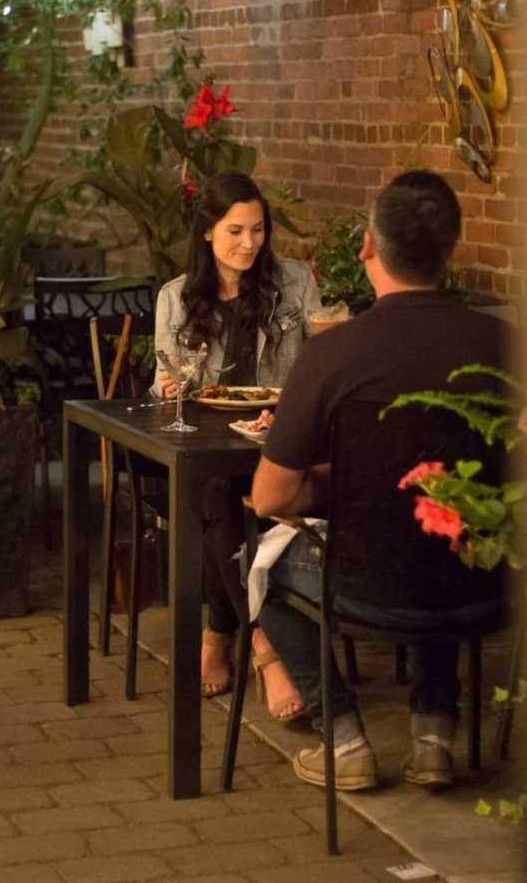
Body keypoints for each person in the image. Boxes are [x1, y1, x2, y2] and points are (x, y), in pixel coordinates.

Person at [249, 170, 511, 792]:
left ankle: (344, 740)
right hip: (489, 584)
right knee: (443, 540)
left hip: (365, 585)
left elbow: (270, 497)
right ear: (453, 248)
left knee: (254, 567)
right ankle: (434, 740)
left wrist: (332, 484)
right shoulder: (507, 344)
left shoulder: (335, 355)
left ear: (368, 245)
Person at [152, 170, 320, 718]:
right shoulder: (176, 298)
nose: (249, 244)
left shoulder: (294, 284)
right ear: (207, 232)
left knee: (230, 496)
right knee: (221, 493)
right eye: (235, 232)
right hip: (210, 447)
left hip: (280, 440)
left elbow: (319, 367)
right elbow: (163, 383)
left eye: (258, 230)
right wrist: (169, 386)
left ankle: (218, 635)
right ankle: (266, 646)